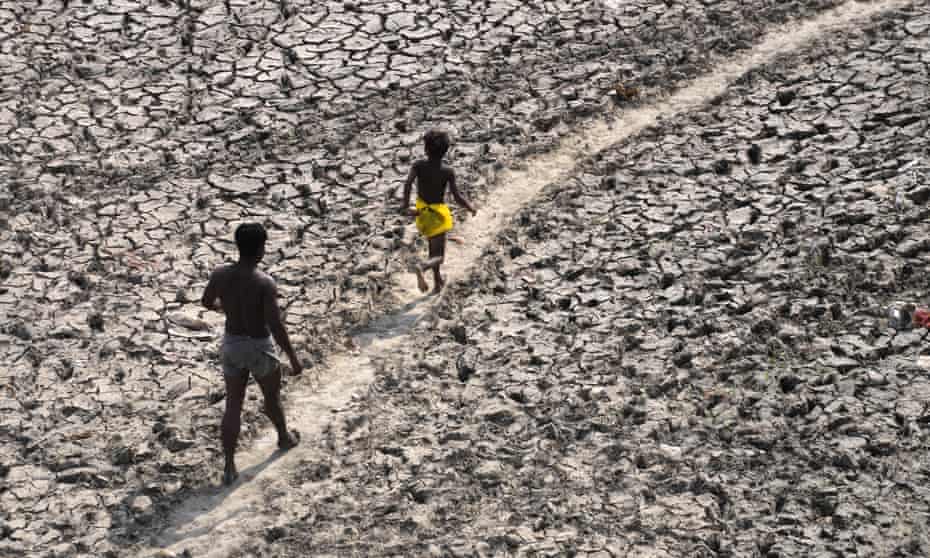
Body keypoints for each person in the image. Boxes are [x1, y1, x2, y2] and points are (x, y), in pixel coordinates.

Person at [201, 223, 301, 485]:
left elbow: (206, 302)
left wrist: (225, 308)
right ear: (259, 248)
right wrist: (292, 356)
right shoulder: (263, 282)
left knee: (233, 406)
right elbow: (275, 324)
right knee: (271, 396)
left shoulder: (220, 274)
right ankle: (283, 436)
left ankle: (229, 466)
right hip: (258, 346)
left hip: (232, 344)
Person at [401, 129, 477, 294]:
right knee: (439, 256)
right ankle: (423, 266)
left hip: (422, 212)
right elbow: (456, 196)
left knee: (432, 247)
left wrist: (405, 206)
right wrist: (470, 207)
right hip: (438, 215)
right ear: (446, 151)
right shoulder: (447, 171)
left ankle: (438, 282)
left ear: (426, 149)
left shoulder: (418, 165)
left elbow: (407, 184)